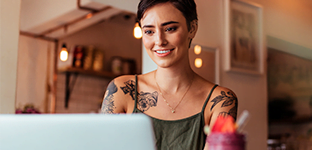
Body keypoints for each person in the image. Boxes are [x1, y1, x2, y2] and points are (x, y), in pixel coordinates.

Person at [101, 0, 238, 149]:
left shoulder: (220, 100)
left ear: (192, 28)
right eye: (149, 31)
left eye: (170, 29)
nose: (159, 41)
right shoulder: (122, 90)